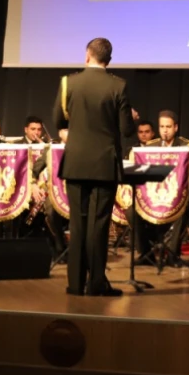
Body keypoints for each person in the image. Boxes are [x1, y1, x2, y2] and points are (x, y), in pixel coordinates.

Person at [53, 37, 135, 297]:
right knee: (98, 227)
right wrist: (131, 117)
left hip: (75, 164)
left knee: (78, 225)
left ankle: (75, 284)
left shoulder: (69, 83)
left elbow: (58, 120)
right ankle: (96, 284)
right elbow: (126, 130)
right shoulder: (118, 86)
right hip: (103, 166)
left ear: (87, 56)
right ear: (109, 60)